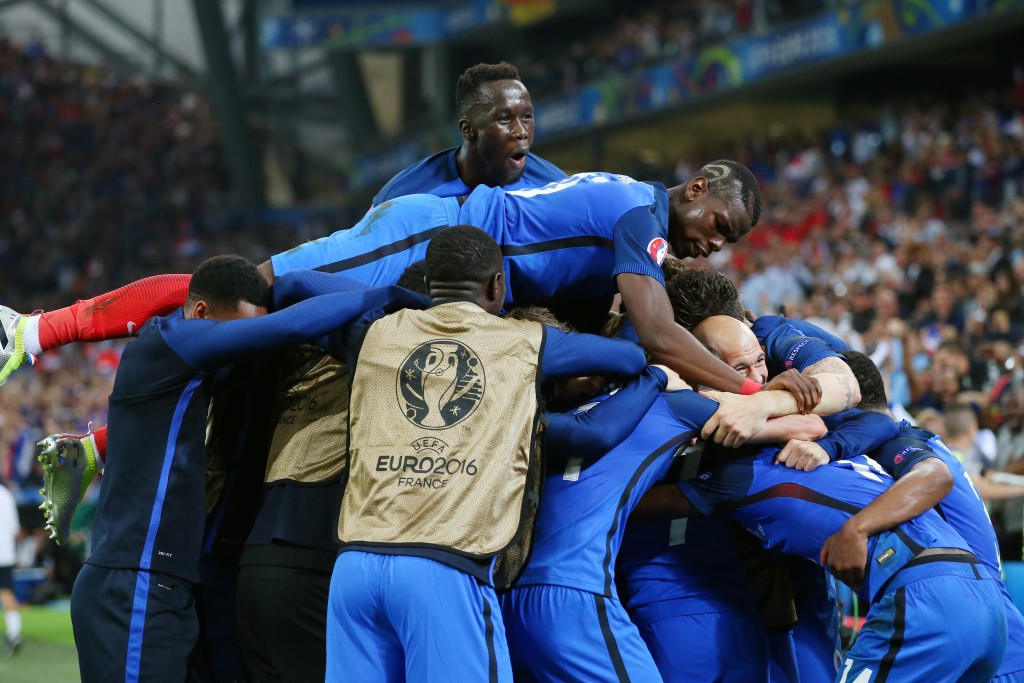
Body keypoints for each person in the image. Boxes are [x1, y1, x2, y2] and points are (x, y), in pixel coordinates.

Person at [0, 161, 770, 409]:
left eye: (728, 243)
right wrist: (745, 388)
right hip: (428, 233)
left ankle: (104, 441)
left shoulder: (634, 216)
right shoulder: (642, 217)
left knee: (290, 350)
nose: (715, 246)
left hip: (455, 266)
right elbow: (661, 334)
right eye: (720, 225)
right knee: (252, 291)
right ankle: (37, 330)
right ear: (697, 186)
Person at [68, 255, 425, 682]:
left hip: (163, 583)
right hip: (135, 581)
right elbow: (288, 326)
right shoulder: (168, 340)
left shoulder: (190, 373)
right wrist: (392, 296)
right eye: (238, 332)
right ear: (200, 313)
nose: (242, 351)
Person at [325, 225, 650, 681]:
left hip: (353, 570)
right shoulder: (522, 342)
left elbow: (302, 286)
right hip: (443, 567)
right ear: (497, 285)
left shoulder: (375, 334)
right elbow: (629, 360)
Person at [500, 316, 827, 681]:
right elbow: (810, 425)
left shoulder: (549, 419)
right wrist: (744, 399)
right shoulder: (674, 404)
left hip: (508, 593)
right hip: (578, 591)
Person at [637, 437, 1009, 682]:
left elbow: (646, 503)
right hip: (986, 601)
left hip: (925, 597)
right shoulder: (850, 453)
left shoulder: (739, 476)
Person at [822, 350, 1024, 682]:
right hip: (993, 628)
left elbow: (936, 478)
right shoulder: (915, 438)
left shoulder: (895, 442)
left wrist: (856, 530)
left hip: (968, 631)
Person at [372, 61, 566, 206]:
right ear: (467, 129)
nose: (521, 132)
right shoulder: (400, 196)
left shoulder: (555, 188)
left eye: (526, 117)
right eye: (504, 119)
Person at [0, 478, 21, 655]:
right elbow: (15, 529)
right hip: (5, 553)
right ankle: (14, 633)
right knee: (6, 592)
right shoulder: (6, 495)